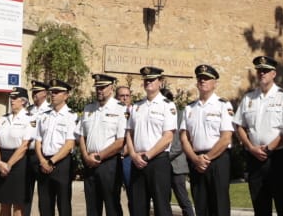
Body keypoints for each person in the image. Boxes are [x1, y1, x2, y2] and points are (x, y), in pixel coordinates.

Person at [234, 56, 283, 216]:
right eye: (259, 70)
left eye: (266, 70)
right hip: (255, 158)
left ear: (273, 74)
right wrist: (250, 147)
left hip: (278, 158)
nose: (262, 73)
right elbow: (239, 125)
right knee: (260, 206)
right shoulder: (248, 98)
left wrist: (270, 147)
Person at [181, 64, 232, 216]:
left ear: (215, 83)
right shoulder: (190, 108)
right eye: (200, 79)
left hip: (218, 159)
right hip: (196, 160)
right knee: (201, 205)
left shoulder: (223, 105)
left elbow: (226, 137)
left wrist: (206, 158)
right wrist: (195, 159)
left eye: (207, 79)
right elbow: (184, 137)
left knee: (219, 205)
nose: (203, 81)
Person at [125, 66, 176, 216]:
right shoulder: (136, 107)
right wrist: (133, 155)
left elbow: (168, 137)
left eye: (152, 80)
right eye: (146, 80)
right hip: (137, 161)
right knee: (138, 207)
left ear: (160, 82)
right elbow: (129, 133)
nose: (148, 83)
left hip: (158, 161)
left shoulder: (167, 105)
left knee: (161, 207)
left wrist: (147, 155)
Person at [79, 74, 127, 216]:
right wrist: (86, 156)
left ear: (111, 88)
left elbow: (120, 141)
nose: (99, 90)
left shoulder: (120, 109)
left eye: (103, 87)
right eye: (97, 87)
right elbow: (82, 135)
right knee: (92, 208)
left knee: (112, 206)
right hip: (89, 163)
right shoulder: (88, 109)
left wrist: (99, 157)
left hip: (109, 164)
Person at [35, 80, 78, 216]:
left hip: (61, 163)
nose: (53, 95)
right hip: (44, 162)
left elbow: (69, 144)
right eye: (52, 92)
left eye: (57, 92)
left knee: (63, 204)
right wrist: (42, 160)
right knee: (45, 204)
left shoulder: (71, 116)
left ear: (66, 96)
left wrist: (52, 161)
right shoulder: (44, 115)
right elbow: (38, 140)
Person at [0, 88, 34, 216]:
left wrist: (9, 164)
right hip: (2, 160)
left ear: (23, 101)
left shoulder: (29, 118)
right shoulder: (3, 118)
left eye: (15, 98)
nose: (12, 100)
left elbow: (24, 146)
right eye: (11, 97)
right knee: (4, 202)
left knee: (18, 204)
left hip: (18, 162)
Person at [162, 88, 196, 216]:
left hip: (176, 165)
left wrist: (165, 156)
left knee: (183, 199)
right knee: (164, 200)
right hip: (162, 165)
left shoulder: (180, 114)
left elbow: (182, 142)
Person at [26, 82, 51, 213]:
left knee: (44, 194)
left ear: (45, 93)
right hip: (27, 153)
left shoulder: (50, 110)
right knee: (25, 193)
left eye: (37, 92)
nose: (34, 94)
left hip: (41, 155)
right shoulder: (28, 110)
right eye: (33, 91)